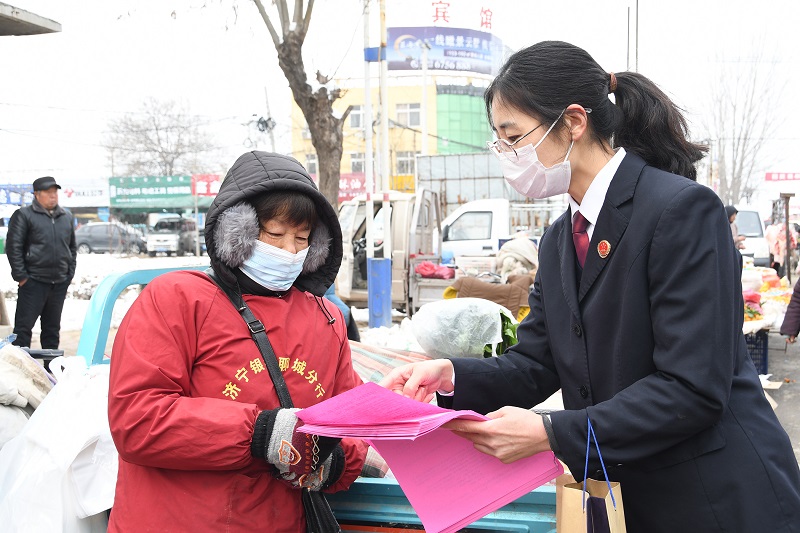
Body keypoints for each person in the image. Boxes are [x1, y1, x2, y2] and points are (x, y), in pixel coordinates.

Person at [380, 41, 800, 532]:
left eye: (513, 136)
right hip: (623, 497)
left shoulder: (679, 210)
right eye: (499, 141)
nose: (507, 155)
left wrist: (551, 432)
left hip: (714, 499)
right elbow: (539, 361)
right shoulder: (561, 238)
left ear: (574, 122)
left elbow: (692, 388)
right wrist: (451, 374)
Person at [107, 152, 370, 531]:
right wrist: (261, 433)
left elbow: (349, 416)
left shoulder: (323, 315)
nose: (289, 251)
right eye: (275, 234)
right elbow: (137, 418)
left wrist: (336, 461)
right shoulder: (177, 298)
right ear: (237, 231)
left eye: (302, 238)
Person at [5, 176, 76, 349]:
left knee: (52, 330)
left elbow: (72, 248)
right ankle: (20, 372)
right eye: (48, 192)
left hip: (58, 283)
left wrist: (68, 274)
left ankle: (51, 372)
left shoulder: (65, 216)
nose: (53, 196)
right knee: (23, 330)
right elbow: (14, 247)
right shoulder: (24, 215)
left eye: (55, 192)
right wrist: (22, 277)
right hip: (33, 281)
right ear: (37, 194)